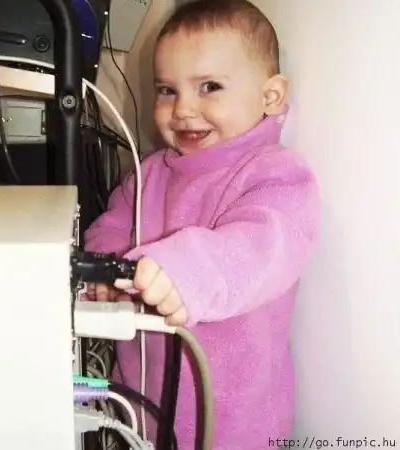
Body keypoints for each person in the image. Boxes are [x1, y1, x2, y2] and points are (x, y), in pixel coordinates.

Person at [85, 0, 320, 448]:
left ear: (270, 96)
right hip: (141, 403)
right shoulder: (150, 173)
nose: (183, 109)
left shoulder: (275, 174)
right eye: (167, 90)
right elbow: (110, 226)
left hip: (234, 423)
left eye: (209, 86)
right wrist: (105, 270)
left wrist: (185, 271)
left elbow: (264, 245)